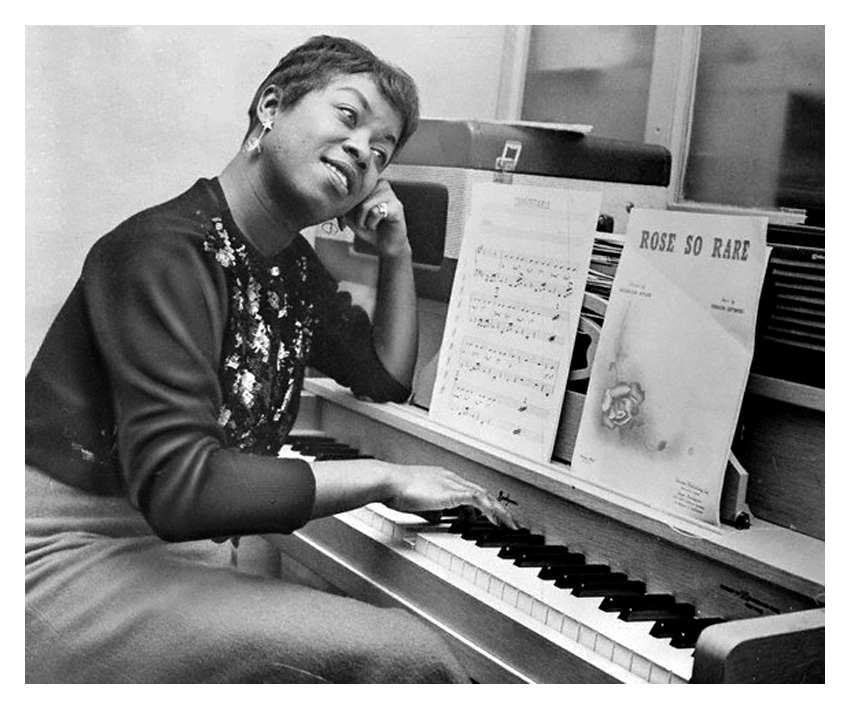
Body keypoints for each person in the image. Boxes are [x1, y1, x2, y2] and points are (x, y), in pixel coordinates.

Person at [25, 34, 517, 683]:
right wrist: (384, 476)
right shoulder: (157, 252)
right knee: (408, 653)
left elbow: (385, 375)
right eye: (349, 116)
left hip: (172, 551)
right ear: (271, 105)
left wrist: (395, 249)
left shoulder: (285, 266)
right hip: (66, 561)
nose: (362, 154)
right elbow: (183, 490)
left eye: (381, 153)